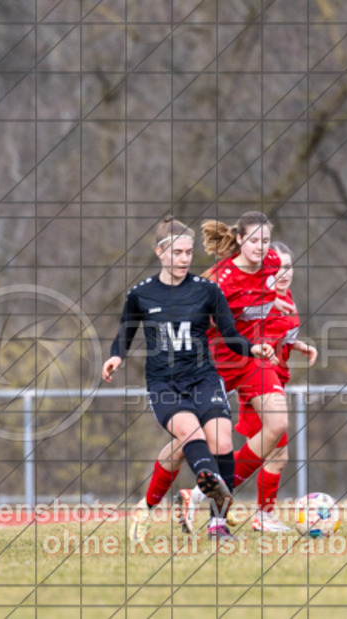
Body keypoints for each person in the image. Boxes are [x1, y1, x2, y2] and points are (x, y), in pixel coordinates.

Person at [101, 217, 276, 542]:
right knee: (189, 433)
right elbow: (125, 335)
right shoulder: (141, 294)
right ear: (160, 252)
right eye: (177, 252)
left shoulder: (207, 290)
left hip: (203, 378)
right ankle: (206, 480)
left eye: (188, 252)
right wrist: (116, 356)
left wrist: (255, 350)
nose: (183, 259)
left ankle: (217, 524)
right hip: (164, 384)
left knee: (222, 441)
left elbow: (230, 336)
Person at [178, 240, 318, 533]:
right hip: (242, 374)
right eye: (277, 267)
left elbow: (280, 335)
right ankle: (206, 496)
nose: (284, 273)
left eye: (288, 267)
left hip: (267, 377)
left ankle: (256, 513)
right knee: (270, 446)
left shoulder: (287, 302)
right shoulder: (254, 298)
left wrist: (299, 346)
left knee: (277, 454)